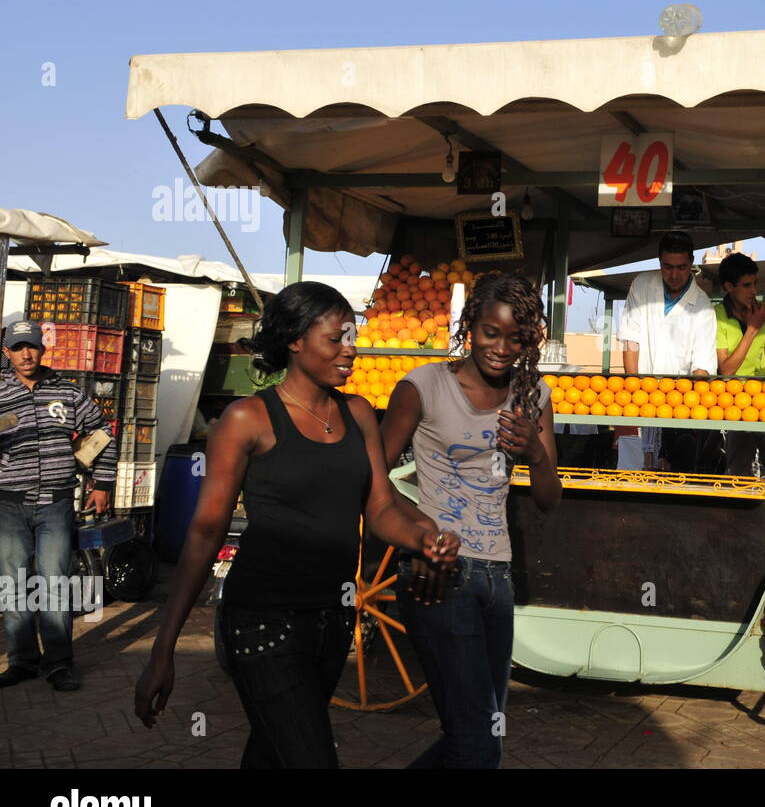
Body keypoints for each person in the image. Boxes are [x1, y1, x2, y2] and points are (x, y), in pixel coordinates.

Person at [134, 283, 451, 767]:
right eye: (335, 338)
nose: (350, 349)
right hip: (262, 621)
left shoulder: (359, 413)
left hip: (333, 619)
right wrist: (164, 646)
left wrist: (422, 537)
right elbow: (205, 532)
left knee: (272, 751)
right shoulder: (247, 419)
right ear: (295, 341)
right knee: (311, 757)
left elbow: (381, 507)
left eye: (352, 335)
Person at [381, 272, 561, 768]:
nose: (502, 347)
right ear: (469, 327)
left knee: (482, 741)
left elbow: (550, 499)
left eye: (516, 338)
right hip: (439, 575)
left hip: (496, 578)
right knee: (478, 744)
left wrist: (535, 455)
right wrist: (422, 538)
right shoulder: (423, 386)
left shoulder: (534, 395)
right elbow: (372, 482)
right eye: (490, 332)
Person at [0, 320, 118, 692]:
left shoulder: (66, 392)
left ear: (42, 349)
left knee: (55, 581)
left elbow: (102, 431)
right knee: (12, 583)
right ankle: (21, 660)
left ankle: (58, 663)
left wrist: (103, 483)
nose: (26, 354)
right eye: (18, 347)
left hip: (56, 504)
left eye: (31, 346)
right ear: (6, 352)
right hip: (8, 505)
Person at [620, 231, 718, 469]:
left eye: (681, 267)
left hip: (679, 406)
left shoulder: (703, 307)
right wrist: (634, 392)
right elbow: (630, 342)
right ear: (659, 262)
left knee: (672, 470)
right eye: (667, 267)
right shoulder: (642, 285)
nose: (674, 274)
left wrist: (686, 409)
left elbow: (702, 367)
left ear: (691, 264)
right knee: (641, 472)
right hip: (641, 398)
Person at [713, 252, 765, 475]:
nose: (754, 291)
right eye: (746, 285)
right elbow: (726, 370)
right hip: (730, 403)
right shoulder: (716, 316)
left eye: (756, 283)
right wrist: (753, 329)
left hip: (763, 402)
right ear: (728, 286)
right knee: (738, 469)